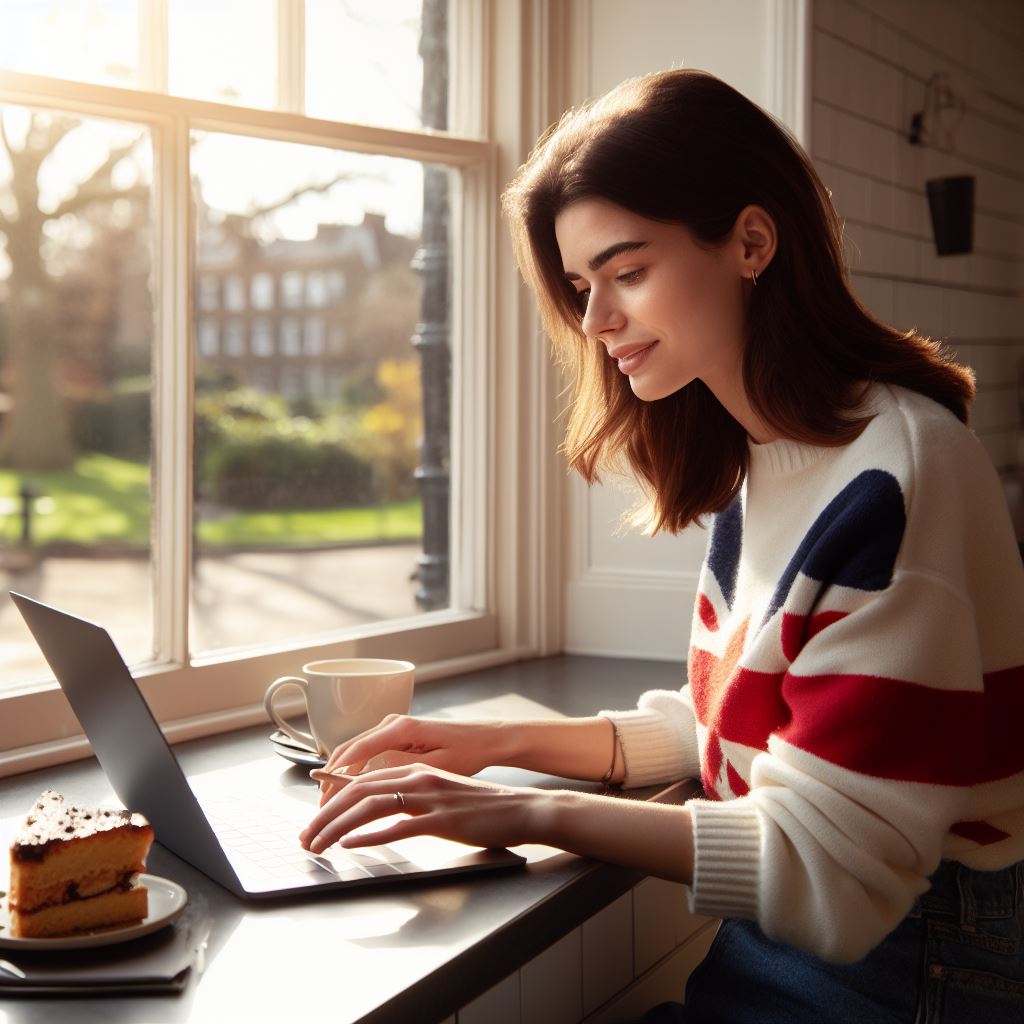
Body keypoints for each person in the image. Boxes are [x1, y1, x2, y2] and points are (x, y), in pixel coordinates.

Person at [300, 69, 1024, 1021]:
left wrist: (522, 810)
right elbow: (744, 727)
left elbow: (838, 880)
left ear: (752, 242)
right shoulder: (769, 457)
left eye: (627, 272)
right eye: (581, 286)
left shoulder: (897, 474)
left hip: (912, 966)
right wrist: (489, 745)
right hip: (812, 952)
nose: (597, 323)